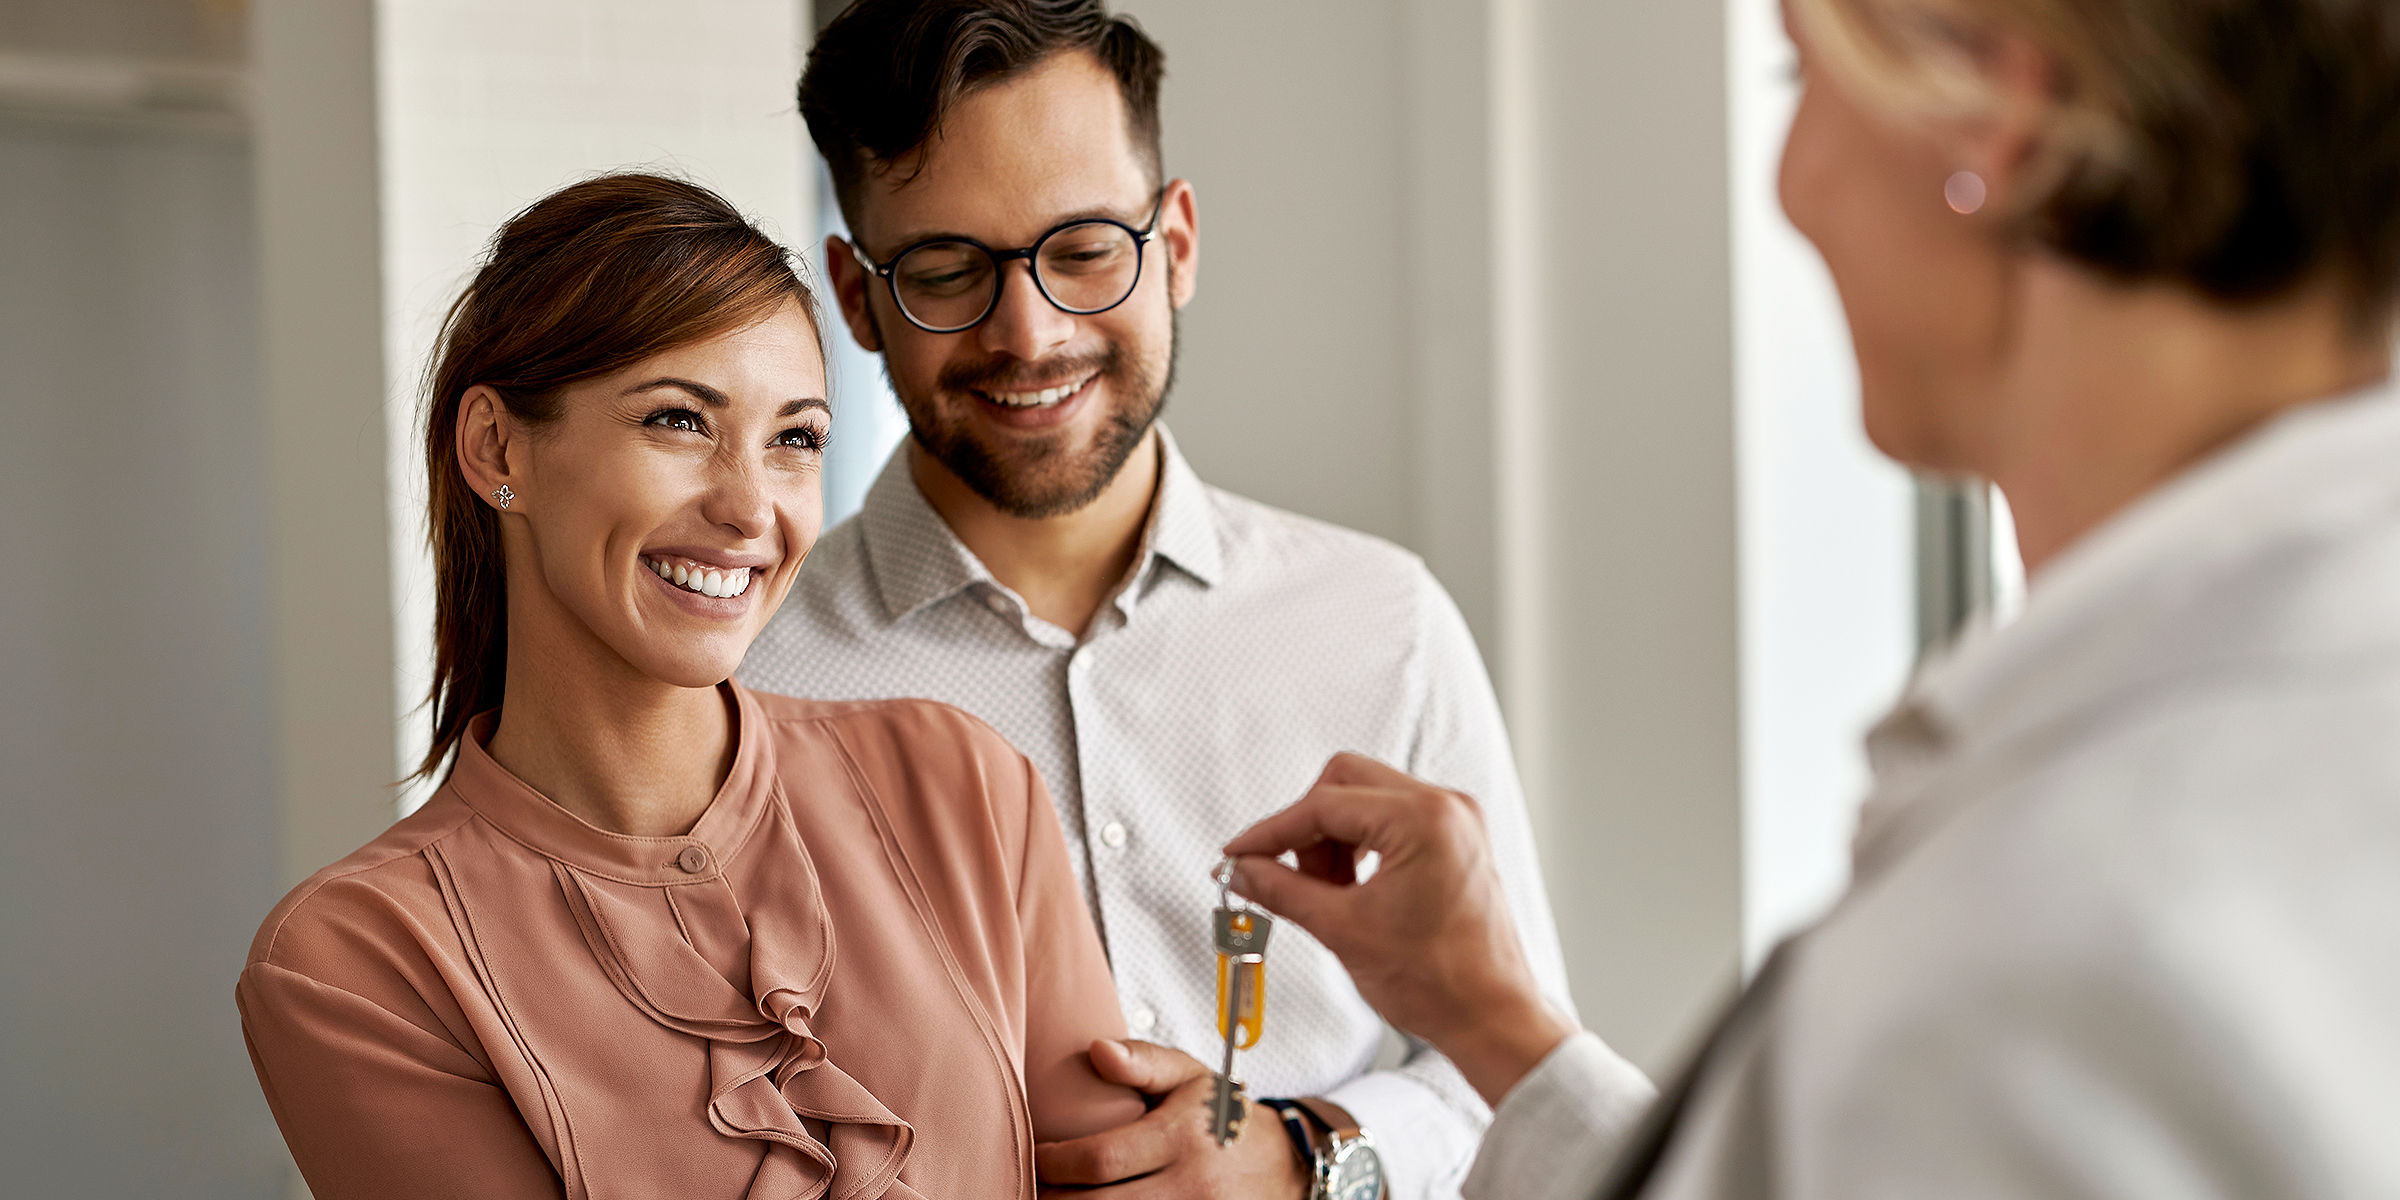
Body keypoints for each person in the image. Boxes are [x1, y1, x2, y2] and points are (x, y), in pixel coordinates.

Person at [1224, 0, 2400, 1196]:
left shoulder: (2057, 944)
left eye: (1802, 74)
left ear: (1998, 124)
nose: (1792, 187)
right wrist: (1492, 1023)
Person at [738, 3, 1581, 1197]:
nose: (1028, 334)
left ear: (1176, 242)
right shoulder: (744, 681)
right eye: (944, 271)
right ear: (858, 296)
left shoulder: (1381, 624)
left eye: (1084, 250)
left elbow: (1516, 1082)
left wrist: (1303, 1156)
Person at [235, 173, 1145, 1199]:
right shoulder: (361, 963)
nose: (751, 508)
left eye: (794, 439)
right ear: (497, 447)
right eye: (677, 421)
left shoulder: (961, 782)